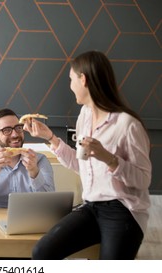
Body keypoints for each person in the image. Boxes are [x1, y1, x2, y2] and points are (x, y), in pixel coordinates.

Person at [27, 51, 152, 260]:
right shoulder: (84, 116)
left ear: (83, 79)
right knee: (42, 252)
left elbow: (143, 180)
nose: (70, 85)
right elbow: (80, 164)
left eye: (71, 79)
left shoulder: (127, 124)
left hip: (124, 210)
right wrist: (50, 137)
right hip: (91, 207)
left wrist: (109, 158)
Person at [0, 108, 55, 209]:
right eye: (7, 130)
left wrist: (34, 172)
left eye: (18, 128)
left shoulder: (40, 160)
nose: (15, 134)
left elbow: (49, 203)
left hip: (31, 219)